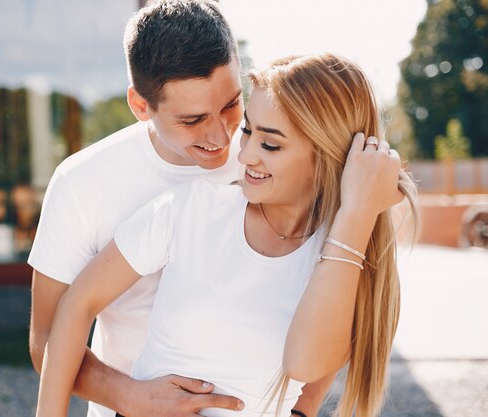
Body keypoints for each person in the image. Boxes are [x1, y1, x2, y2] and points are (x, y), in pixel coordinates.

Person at [34, 53, 419, 417]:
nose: (244, 153)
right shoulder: (190, 207)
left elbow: (306, 364)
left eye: (269, 144)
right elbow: (74, 306)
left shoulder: (344, 256)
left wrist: (357, 211)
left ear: (328, 154)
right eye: (248, 131)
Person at [28, 1, 333, 417]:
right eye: (191, 120)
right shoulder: (81, 183)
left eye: (230, 105)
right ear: (140, 106)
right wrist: (130, 396)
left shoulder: (272, 162)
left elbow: (337, 284)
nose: (220, 136)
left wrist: (303, 409)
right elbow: (45, 338)